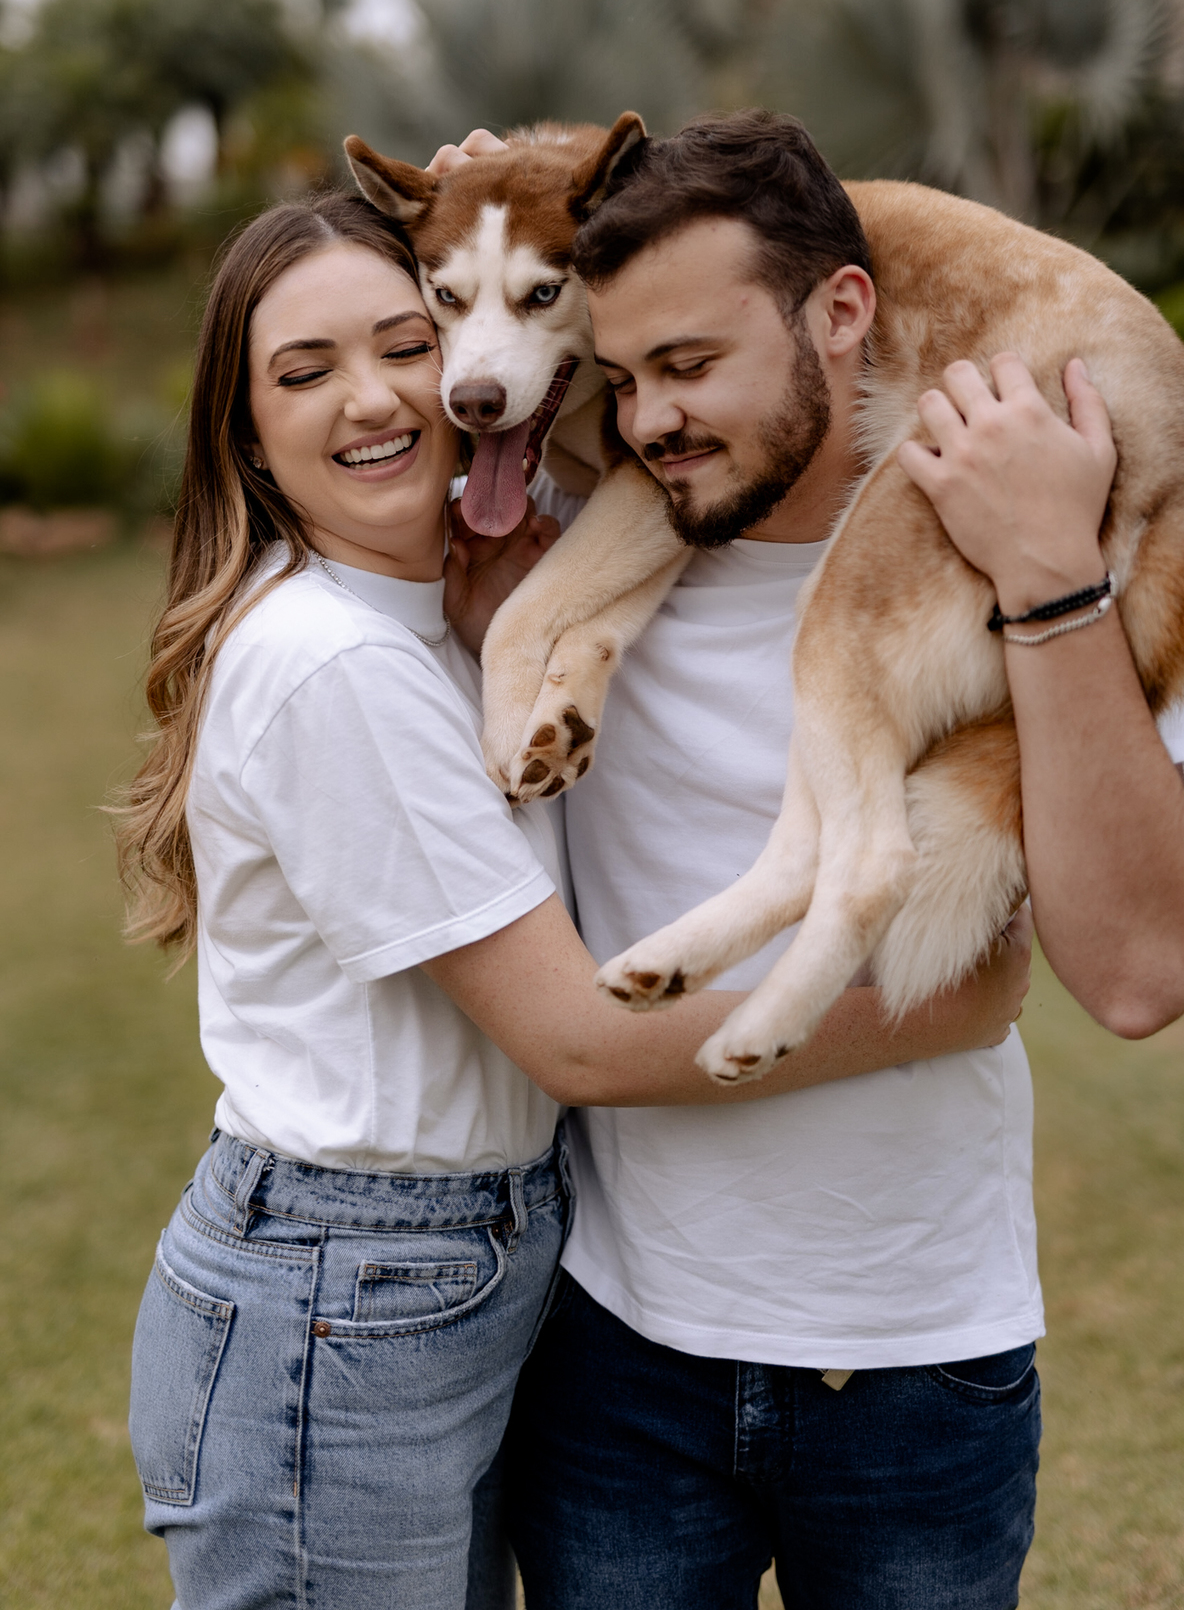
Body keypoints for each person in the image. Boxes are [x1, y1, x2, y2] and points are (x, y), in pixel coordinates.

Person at [115, 188, 1025, 1610]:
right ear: (244, 431)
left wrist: (497, 636)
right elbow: (579, 1045)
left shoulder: (441, 620)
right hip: (348, 1291)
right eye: (304, 372)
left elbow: (663, 239)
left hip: (466, 1284)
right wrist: (935, 1008)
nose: (382, 395)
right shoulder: (331, 664)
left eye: (408, 343)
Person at [486, 111, 1184, 1609]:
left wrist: (1052, 587)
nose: (652, 423)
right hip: (612, 1350)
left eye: (692, 368)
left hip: (920, 1373)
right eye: (623, 382)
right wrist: (946, 1003)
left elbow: (1140, 976)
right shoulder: (567, 554)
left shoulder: (1077, 532)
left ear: (844, 309)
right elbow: (389, 327)